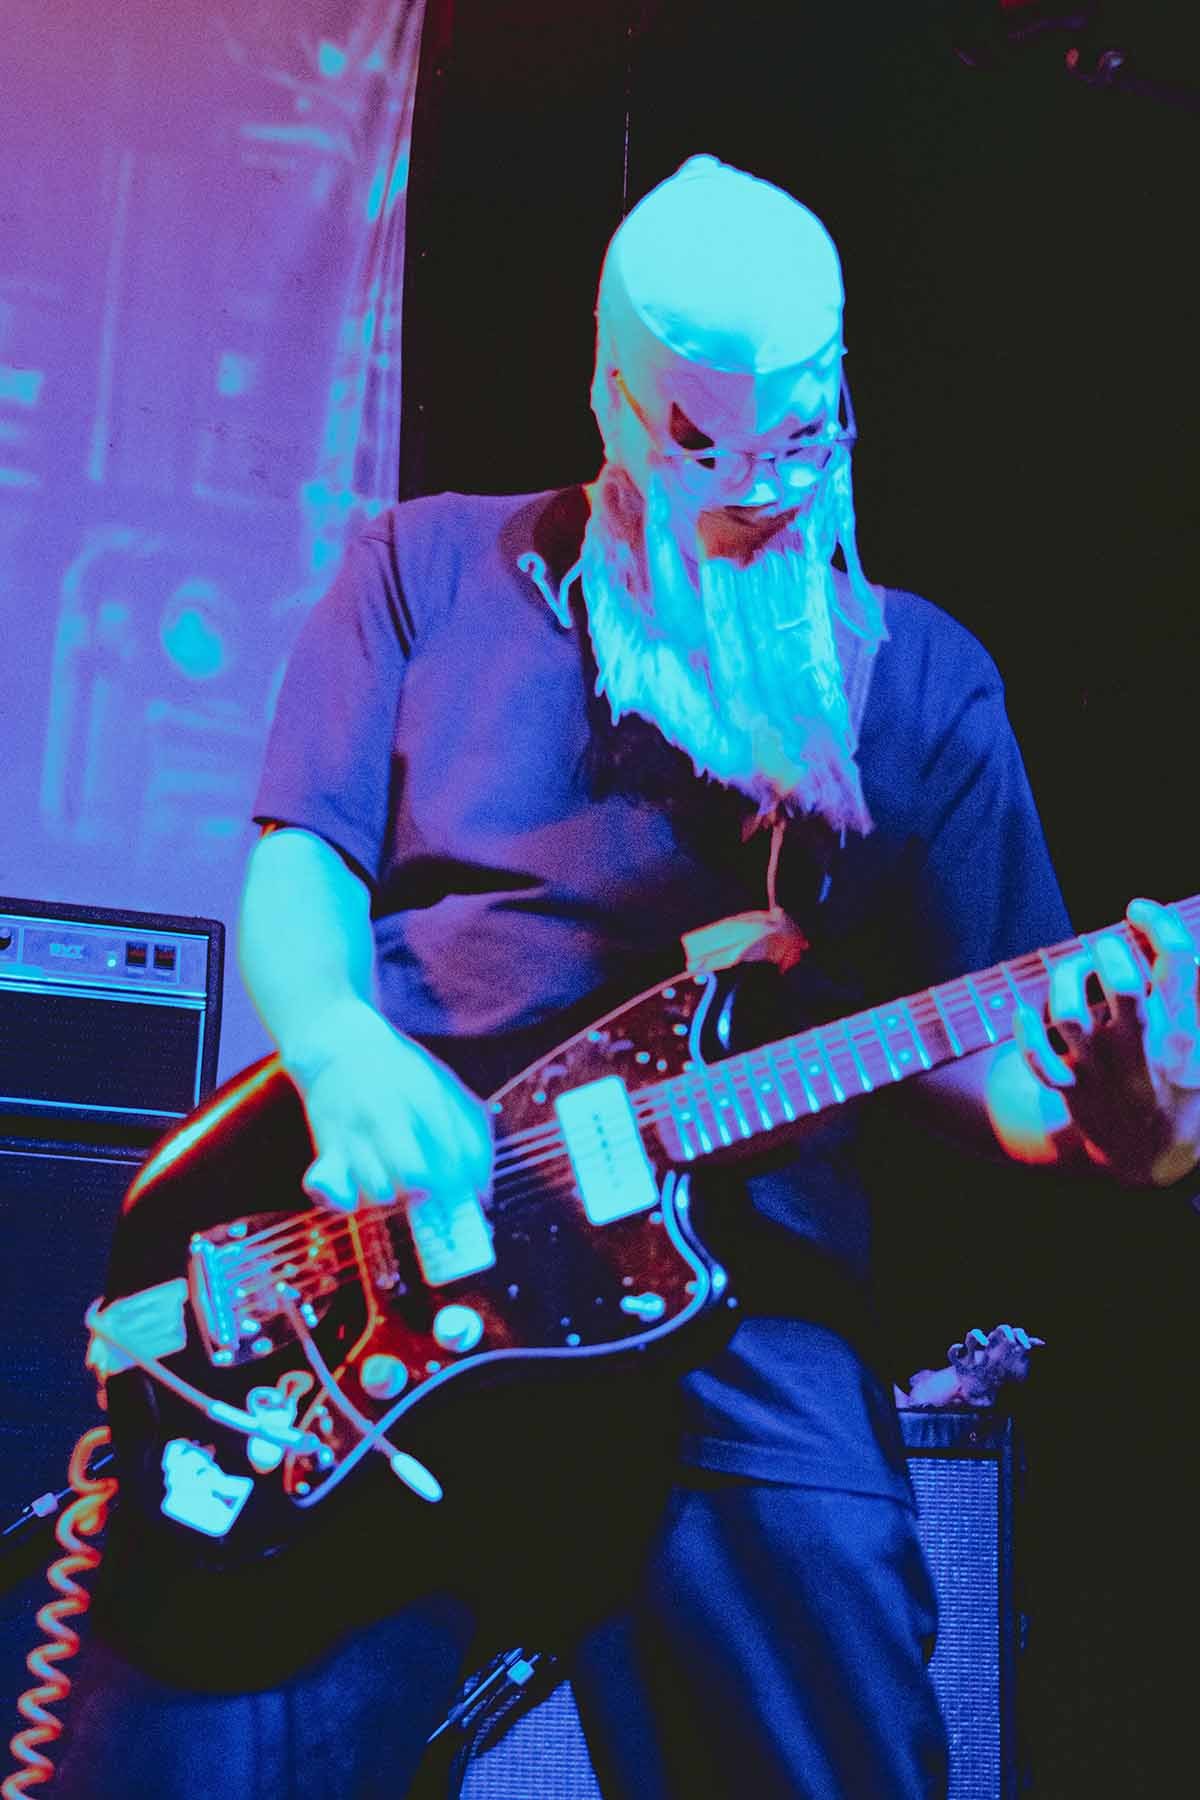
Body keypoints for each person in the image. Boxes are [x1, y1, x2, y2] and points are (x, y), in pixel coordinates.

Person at [52, 154, 1199, 1800]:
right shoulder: (428, 570)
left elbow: (1013, 1077)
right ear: (613, 400)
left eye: (805, 437)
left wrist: (1128, 1113)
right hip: (388, 1263)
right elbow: (303, 863)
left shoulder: (922, 686)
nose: (768, 491)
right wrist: (339, 1045)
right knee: (182, 1737)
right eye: (710, 447)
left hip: (739, 1307)